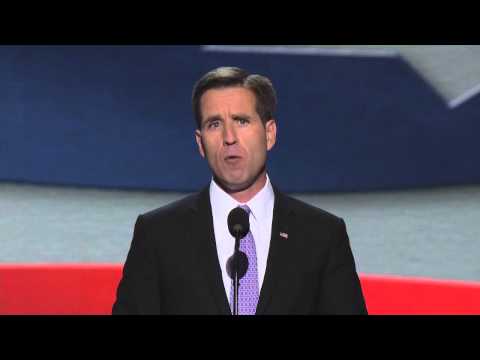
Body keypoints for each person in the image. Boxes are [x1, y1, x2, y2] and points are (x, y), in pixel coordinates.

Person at [112, 66, 367, 315]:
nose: (229, 137)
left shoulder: (322, 235)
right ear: (200, 144)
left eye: (241, 121)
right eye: (214, 124)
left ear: (269, 134)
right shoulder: (158, 234)